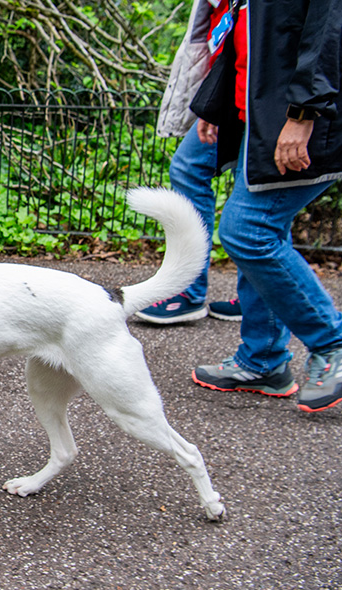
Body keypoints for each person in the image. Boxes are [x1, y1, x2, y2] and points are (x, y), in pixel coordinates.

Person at [189, 0, 342, 412]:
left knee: (248, 232)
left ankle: (332, 342)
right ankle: (262, 361)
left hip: (298, 120)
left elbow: (328, 32)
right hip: (256, 116)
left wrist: (303, 112)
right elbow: (243, 31)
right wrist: (216, 105)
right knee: (263, 232)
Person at [136, 0, 242, 325]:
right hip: (226, 86)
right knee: (190, 168)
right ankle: (194, 291)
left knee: (251, 208)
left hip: (254, 94)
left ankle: (256, 301)